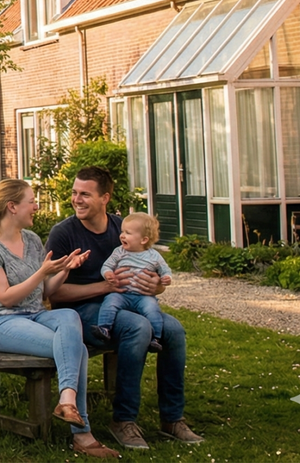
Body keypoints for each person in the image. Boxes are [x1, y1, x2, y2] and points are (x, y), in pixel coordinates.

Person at [46, 166, 202, 450]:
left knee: (175, 330)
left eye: (85, 194)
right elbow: (53, 292)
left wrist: (156, 285)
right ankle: (124, 419)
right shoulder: (64, 234)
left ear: (105, 198)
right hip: (80, 312)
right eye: (74, 193)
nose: (76, 200)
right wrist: (104, 288)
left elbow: (154, 276)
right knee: (138, 328)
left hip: (126, 305)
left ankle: (172, 418)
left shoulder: (124, 227)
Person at [0, 179, 116, 458]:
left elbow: (45, 292)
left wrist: (65, 270)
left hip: (35, 315)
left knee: (70, 317)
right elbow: (6, 298)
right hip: (1, 322)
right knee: (78, 349)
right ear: (12, 207)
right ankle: (82, 434)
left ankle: (67, 400)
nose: (36, 207)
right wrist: (41, 272)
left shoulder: (33, 240)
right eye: (31, 201)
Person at [91, 212, 173, 350]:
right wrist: (108, 274)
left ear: (143, 240)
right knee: (110, 302)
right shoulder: (119, 252)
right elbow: (107, 265)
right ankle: (104, 329)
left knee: (152, 309)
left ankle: (156, 338)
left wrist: (166, 278)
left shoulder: (154, 256)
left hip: (143, 296)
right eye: (122, 231)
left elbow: (165, 270)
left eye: (127, 233)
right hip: (122, 293)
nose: (122, 235)